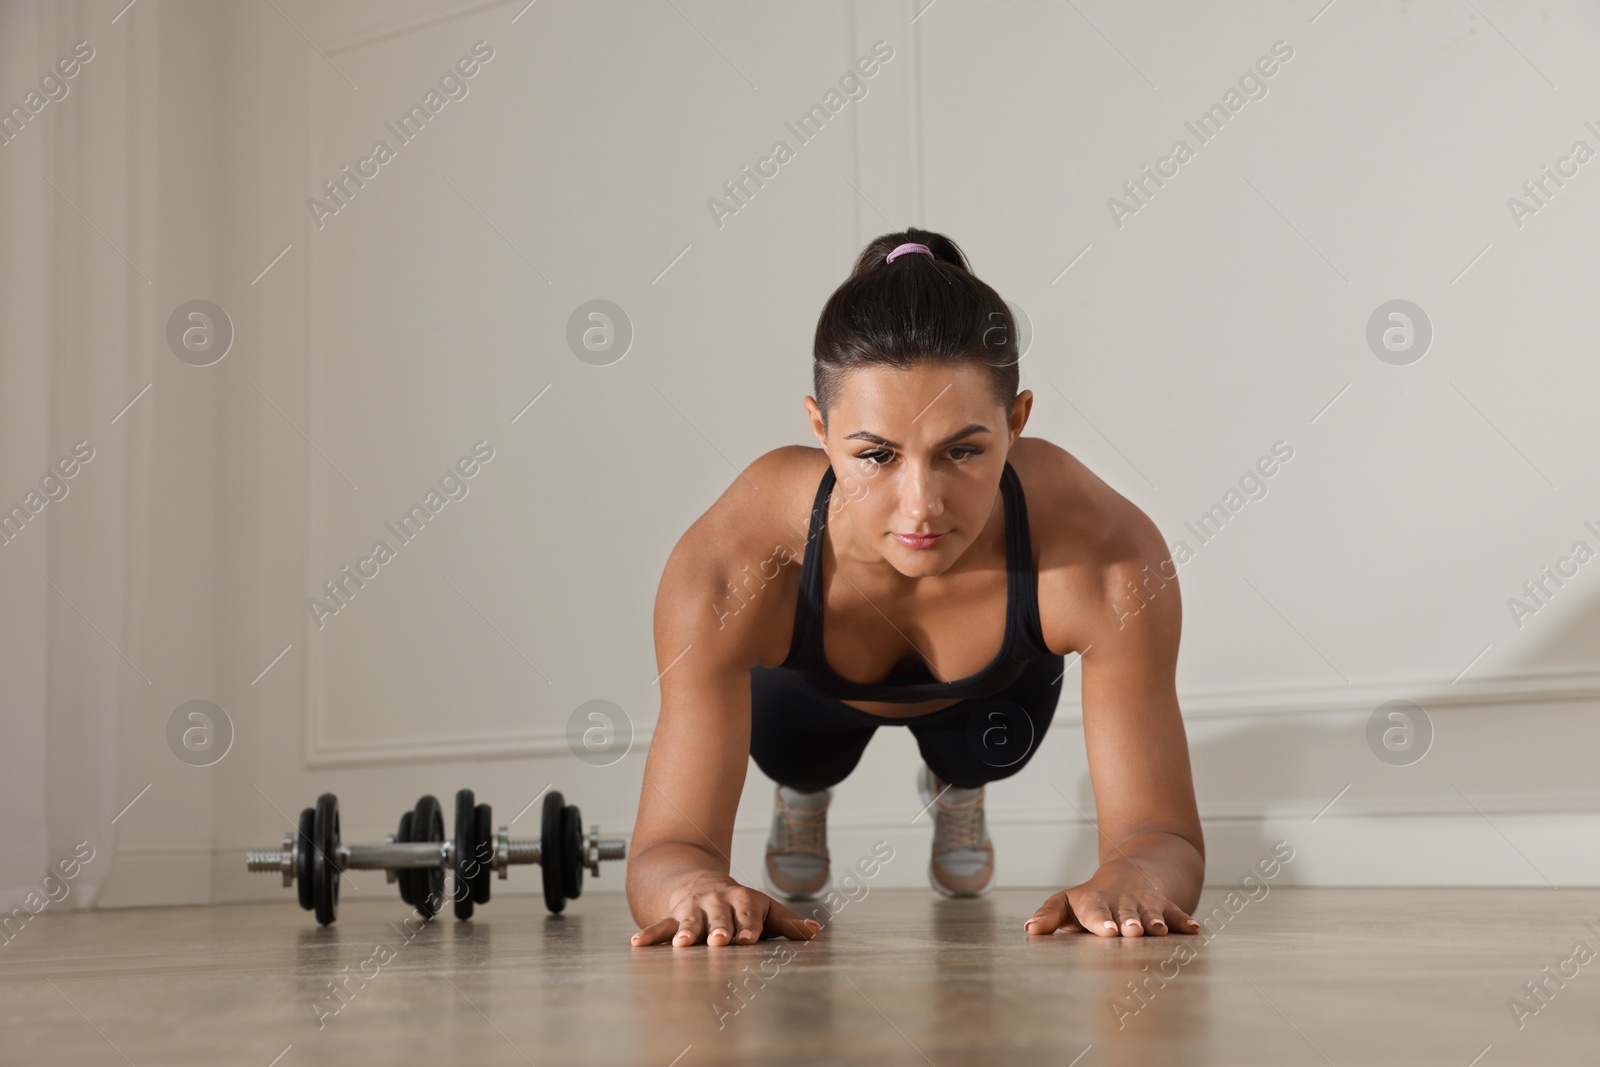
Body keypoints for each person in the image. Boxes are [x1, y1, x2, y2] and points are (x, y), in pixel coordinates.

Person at [626, 229, 1204, 948]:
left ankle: (956, 782)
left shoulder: (1105, 554)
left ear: (1015, 423)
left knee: (982, 749)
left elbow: (1163, 832)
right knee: (802, 753)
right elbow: (664, 849)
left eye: (962, 451)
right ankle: (803, 792)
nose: (921, 505)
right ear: (820, 428)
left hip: (986, 703)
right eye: (875, 455)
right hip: (809, 699)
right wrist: (693, 887)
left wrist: (1136, 875)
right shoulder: (734, 563)